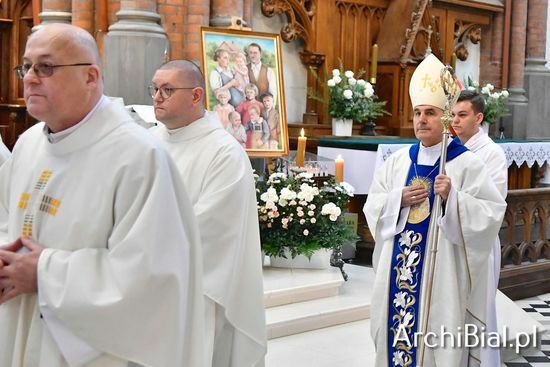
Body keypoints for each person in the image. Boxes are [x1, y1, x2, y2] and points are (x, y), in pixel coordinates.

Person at [0, 24, 204, 367]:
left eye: (46, 67)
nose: (31, 78)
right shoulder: (28, 145)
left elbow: (153, 279)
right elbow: (9, 222)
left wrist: (45, 273)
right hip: (21, 326)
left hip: (94, 352)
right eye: (27, 66)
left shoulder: (137, 156)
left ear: (91, 77)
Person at [363, 54, 506, 367]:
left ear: (445, 119)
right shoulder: (398, 162)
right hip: (397, 277)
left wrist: (454, 198)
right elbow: (372, 205)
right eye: (417, 113)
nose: (421, 120)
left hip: (442, 279)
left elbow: (491, 213)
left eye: (430, 112)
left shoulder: (466, 164)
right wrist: (396, 200)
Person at [149, 60, 267, 367]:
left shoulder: (224, 152)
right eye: (155, 89)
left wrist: (141, 240)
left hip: (195, 289)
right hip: (147, 281)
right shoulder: (149, 143)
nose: (157, 97)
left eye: (167, 89)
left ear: (196, 95)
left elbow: (209, 226)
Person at [452, 89, 508, 366]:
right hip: (452, 239)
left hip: (480, 243)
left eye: (462, 115)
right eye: (452, 115)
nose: (455, 121)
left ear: (479, 117)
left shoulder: (492, 154)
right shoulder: (449, 151)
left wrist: (453, 197)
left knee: (478, 311)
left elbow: (493, 204)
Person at [235, 83, 264, 148]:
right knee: (247, 143)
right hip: (246, 128)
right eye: (247, 92)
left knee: (255, 143)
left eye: (251, 92)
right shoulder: (243, 104)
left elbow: (263, 117)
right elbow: (237, 113)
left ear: (255, 93)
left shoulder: (260, 104)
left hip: (257, 129)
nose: (249, 94)